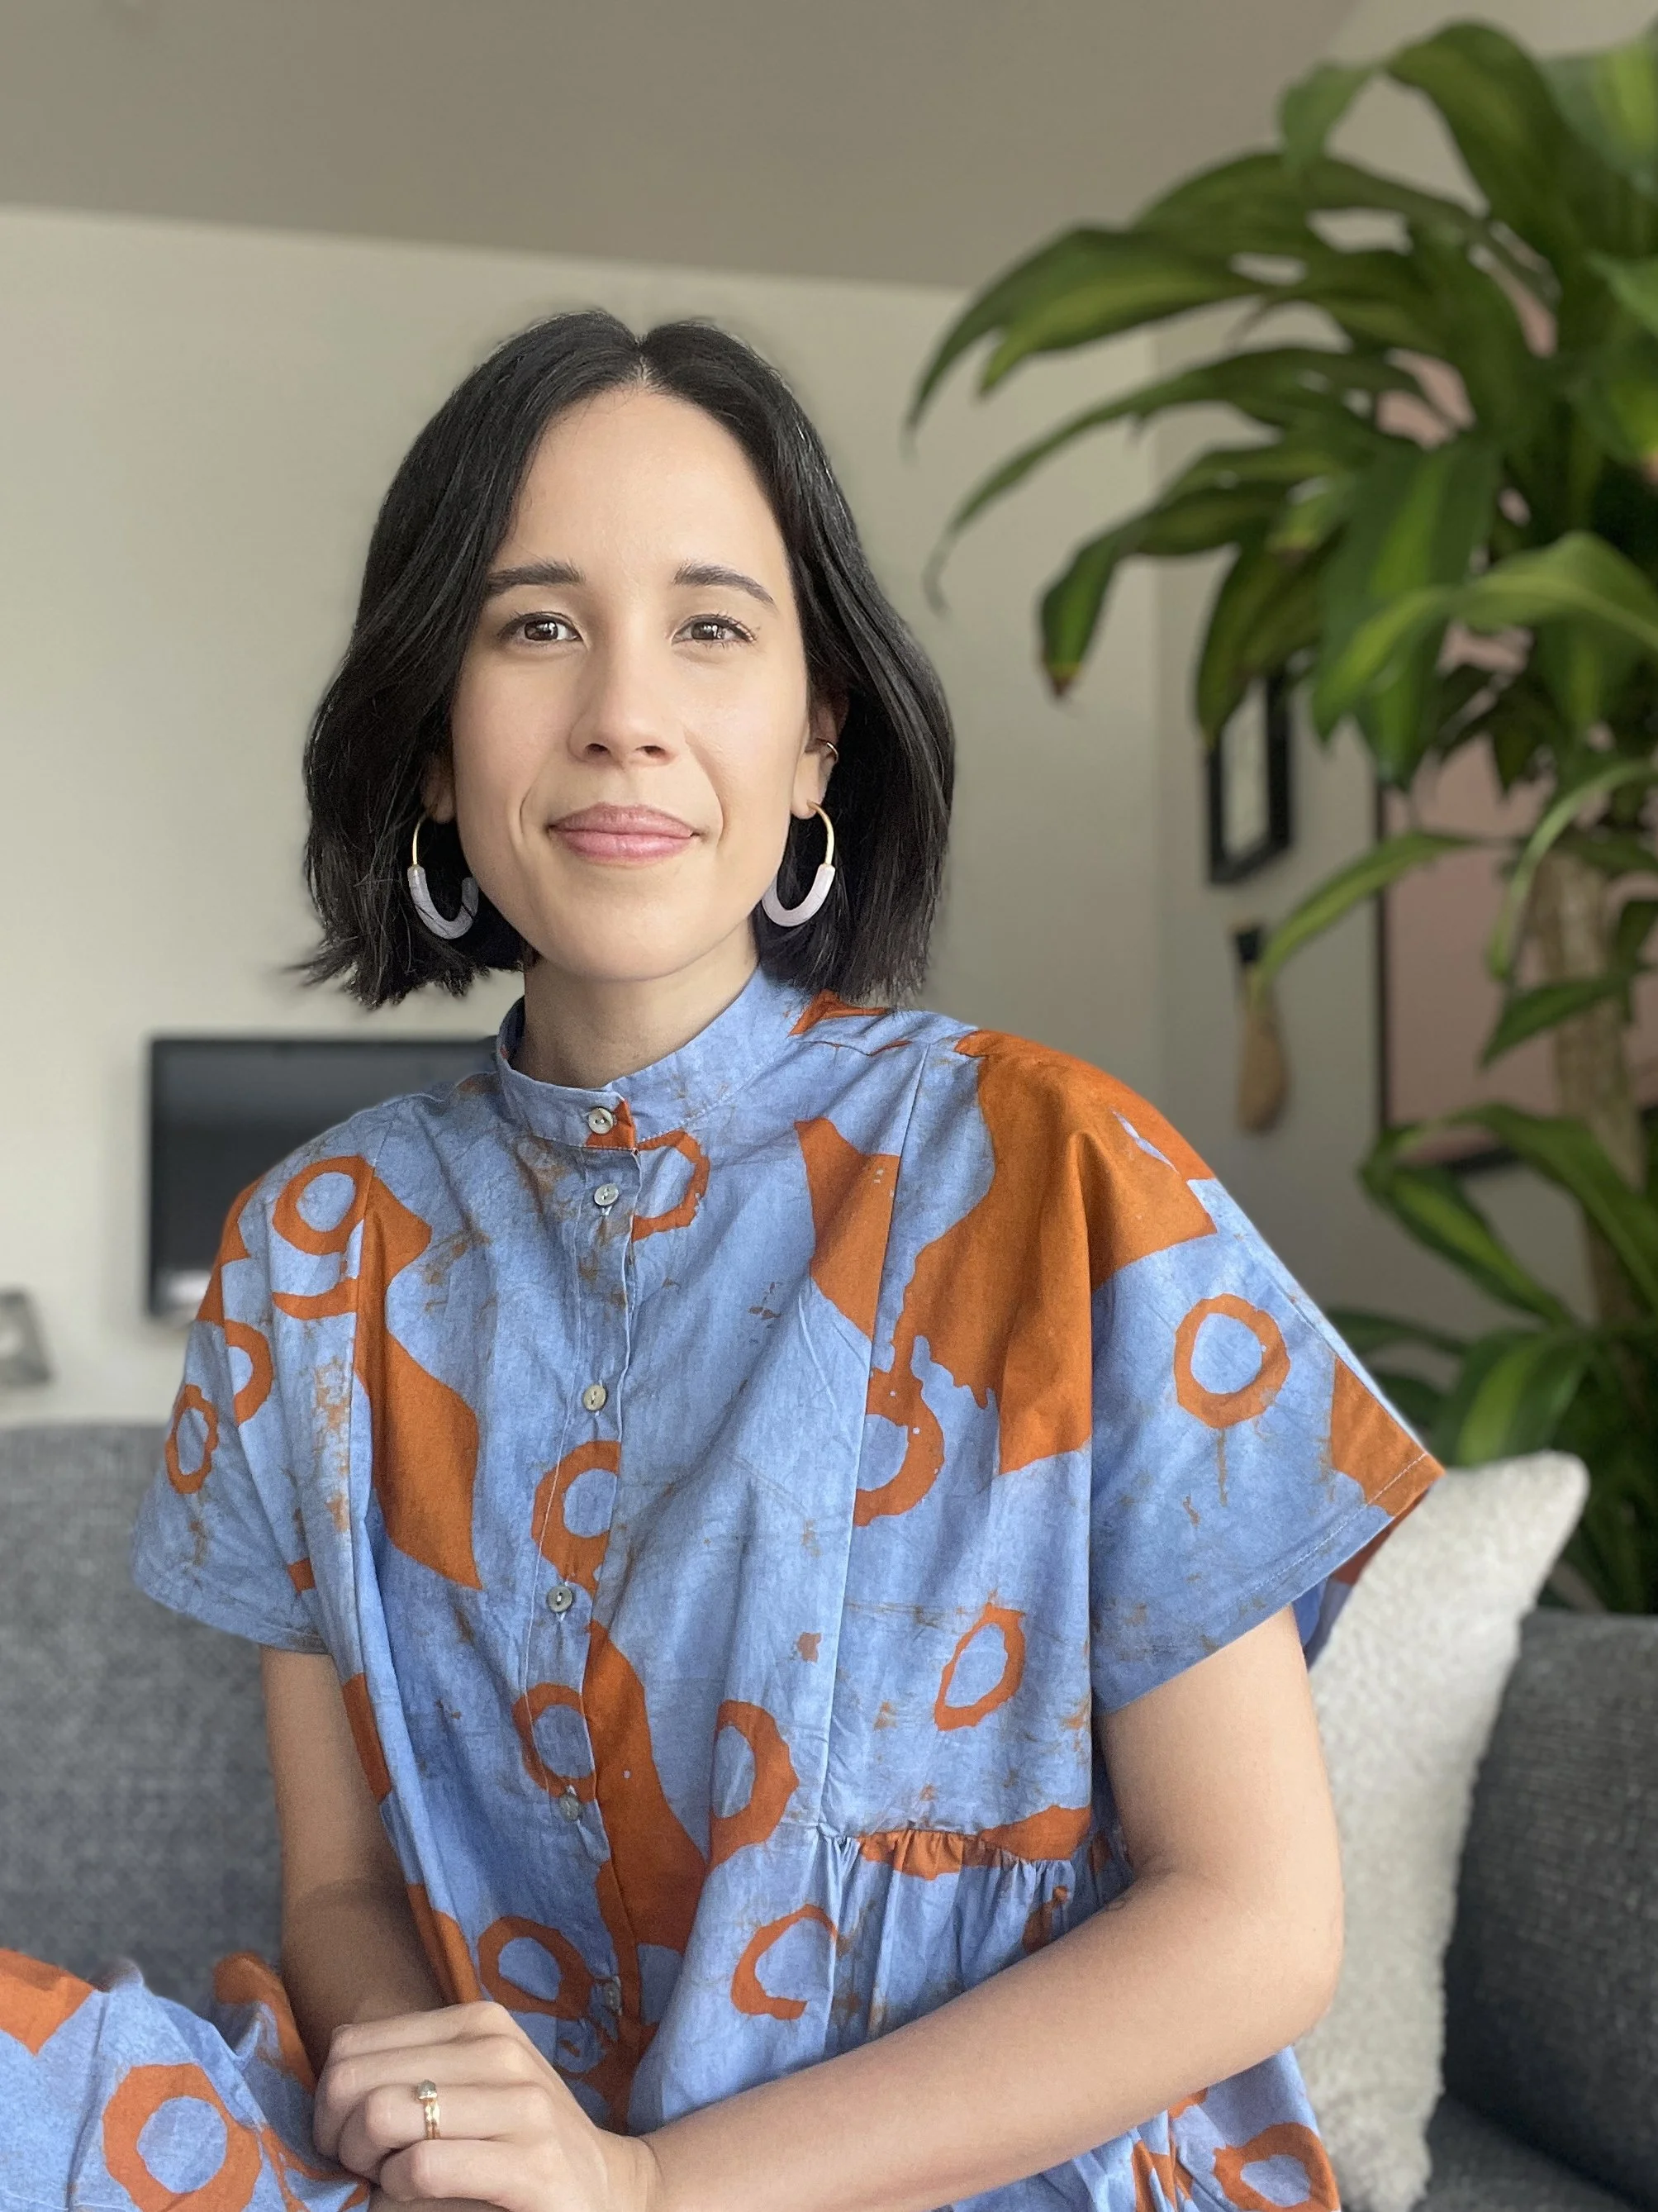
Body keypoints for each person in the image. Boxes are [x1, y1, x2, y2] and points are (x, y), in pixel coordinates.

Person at [0, 310, 1439, 2212]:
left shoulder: (1064, 1173)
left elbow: (1254, 1924)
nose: (622, 709)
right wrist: (454, 2134)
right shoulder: (309, 1254)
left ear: (814, 735)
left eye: (710, 626)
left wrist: (660, 2188)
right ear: (433, 748)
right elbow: (343, 1893)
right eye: (533, 626)